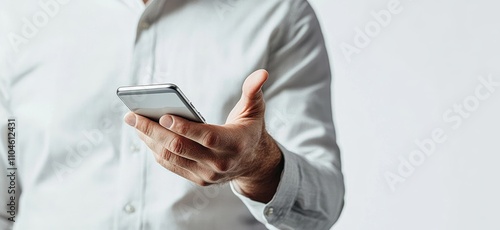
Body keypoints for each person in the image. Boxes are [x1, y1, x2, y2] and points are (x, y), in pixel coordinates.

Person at [0, 0, 344, 229]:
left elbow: (322, 208)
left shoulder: (278, 10)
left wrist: (258, 165)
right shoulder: (17, 14)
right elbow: (5, 194)